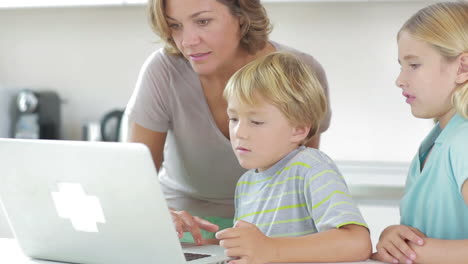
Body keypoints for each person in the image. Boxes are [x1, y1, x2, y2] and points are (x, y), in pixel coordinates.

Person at [125, 0, 331, 245]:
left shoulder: (298, 71)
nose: (187, 41)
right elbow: (133, 183)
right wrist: (159, 216)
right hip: (185, 232)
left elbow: (301, 181)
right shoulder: (164, 71)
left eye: (203, 21)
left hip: (268, 232)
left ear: (241, 16)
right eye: (175, 25)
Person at [215, 52, 371, 264]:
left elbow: (357, 243)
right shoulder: (246, 184)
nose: (239, 132)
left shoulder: (310, 168)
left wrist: (271, 249)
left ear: (298, 129)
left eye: (256, 122)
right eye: (233, 119)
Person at [371, 2, 468, 264]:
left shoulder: (463, 142)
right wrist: (395, 238)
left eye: (413, 65)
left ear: (462, 67)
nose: (400, 80)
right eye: (401, 66)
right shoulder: (436, 142)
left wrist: (415, 253)